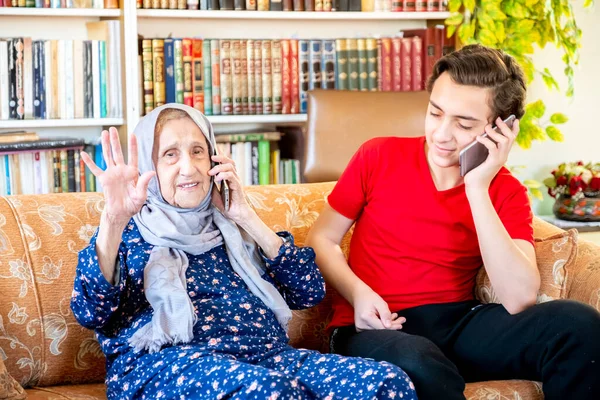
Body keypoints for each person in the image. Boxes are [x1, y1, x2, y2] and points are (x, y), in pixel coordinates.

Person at [306, 44, 600, 400]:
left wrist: (477, 186)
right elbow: (321, 239)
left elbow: (519, 298)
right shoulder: (378, 155)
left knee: (576, 324)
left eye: (463, 124)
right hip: (375, 325)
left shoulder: (504, 190)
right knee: (418, 361)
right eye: (435, 113)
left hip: (458, 322)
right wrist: (358, 294)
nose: (442, 135)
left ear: (500, 129)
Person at [70, 103, 417, 400]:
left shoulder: (236, 229)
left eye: (197, 151)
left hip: (265, 357)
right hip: (166, 366)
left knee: (387, 384)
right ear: (148, 167)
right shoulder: (128, 234)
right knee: (268, 392)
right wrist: (112, 221)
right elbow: (91, 312)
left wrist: (246, 217)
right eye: (169, 155)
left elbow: (309, 290)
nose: (188, 168)